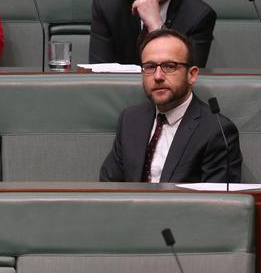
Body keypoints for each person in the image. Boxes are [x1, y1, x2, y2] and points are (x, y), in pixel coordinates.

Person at [99, 29, 242, 183]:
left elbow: (218, 203)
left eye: (169, 66)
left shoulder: (216, 131)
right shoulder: (130, 119)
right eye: (150, 67)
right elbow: (109, 184)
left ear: (191, 75)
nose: (158, 76)